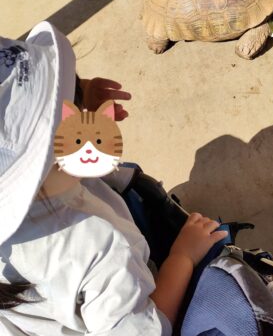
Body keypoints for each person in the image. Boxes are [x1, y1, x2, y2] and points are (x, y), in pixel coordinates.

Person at [0, 21, 227, 335]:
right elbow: (142, 329)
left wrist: (86, 99)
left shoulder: (32, 209)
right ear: (45, 168)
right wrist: (183, 257)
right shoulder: (97, 246)